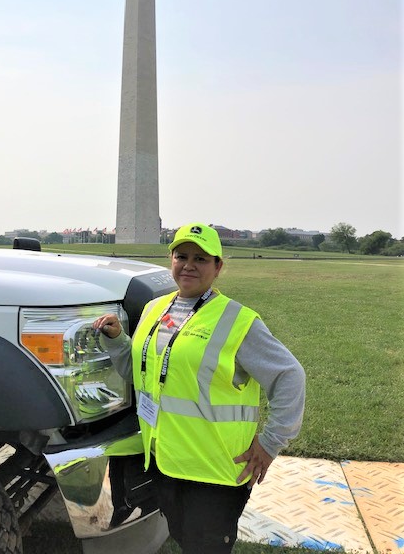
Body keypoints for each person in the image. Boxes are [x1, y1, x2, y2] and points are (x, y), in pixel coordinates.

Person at [93, 223, 305, 554]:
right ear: (171, 260)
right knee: (183, 538)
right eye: (182, 256)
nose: (189, 265)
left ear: (218, 267)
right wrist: (118, 340)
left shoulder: (238, 321)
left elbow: (290, 376)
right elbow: (142, 375)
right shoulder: (154, 310)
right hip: (166, 462)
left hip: (214, 473)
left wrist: (271, 442)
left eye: (201, 259)